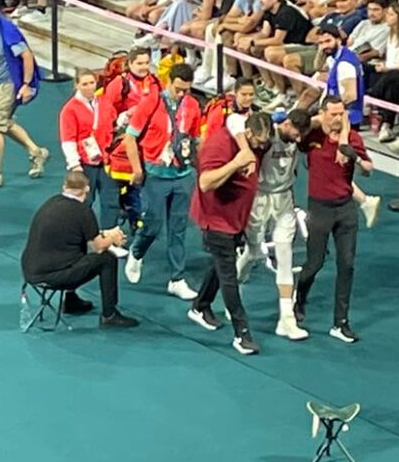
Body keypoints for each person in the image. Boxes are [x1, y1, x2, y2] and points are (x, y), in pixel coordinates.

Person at [187, 113, 273, 355]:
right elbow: (205, 182)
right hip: (216, 220)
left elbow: (235, 119)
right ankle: (241, 333)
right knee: (228, 275)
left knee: (220, 264)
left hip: (235, 220)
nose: (260, 148)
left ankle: (200, 305)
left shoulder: (249, 139)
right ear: (247, 134)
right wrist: (237, 162)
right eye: (257, 142)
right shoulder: (219, 145)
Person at [294, 96, 374, 343]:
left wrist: (356, 157)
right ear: (324, 113)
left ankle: (341, 322)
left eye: (342, 113)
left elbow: (369, 169)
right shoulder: (313, 137)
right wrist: (324, 123)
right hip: (319, 209)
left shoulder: (353, 139)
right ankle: (299, 301)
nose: (338, 118)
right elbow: (296, 129)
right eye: (334, 113)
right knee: (314, 263)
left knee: (347, 265)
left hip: (345, 208)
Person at [122, 63, 202, 300]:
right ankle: (136, 253)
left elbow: (195, 140)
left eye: (186, 90)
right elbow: (129, 137)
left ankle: (177, 279)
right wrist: (136, 169)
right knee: (153, 225)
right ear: (169, 81)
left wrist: (200, 169)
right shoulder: (151, 102)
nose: (182, 94)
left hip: (182, 174)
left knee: (178, 229)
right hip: (156, 174)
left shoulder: (193, 106)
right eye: (178, 89)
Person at [20, 170, 139, 328]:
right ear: (87, 189)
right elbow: (98, 247)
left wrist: (105, 234)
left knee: (74, 247)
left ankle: (71, 300)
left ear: (64, 187)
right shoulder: (83, 212)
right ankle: (109, 315)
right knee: (107, 259)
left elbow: (79, 232)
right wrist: (113, 239)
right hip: (54, 276)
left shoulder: (51, 202)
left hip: (30, 270)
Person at [235, 109, 313, 341]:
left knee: (285, 254)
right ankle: (233, 290)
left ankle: (286, 319)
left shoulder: (298, 134)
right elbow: (235, 121)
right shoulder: (267, 136)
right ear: (286, 124)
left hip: (284, 198)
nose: (299, 140)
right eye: (296, 134)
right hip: (259, 197)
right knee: (254, 252)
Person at [0, 0, 49, 189]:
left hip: (8, 84)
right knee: (4, 122)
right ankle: (37, 152)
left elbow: (26, 56)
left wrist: (26, 84)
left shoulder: (7, 31)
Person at [58, 70, 127, 258]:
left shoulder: (104, 102)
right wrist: (74, 165)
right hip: (84, 163)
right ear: (76, 85)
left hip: (106, 161)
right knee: (83, 202)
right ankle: (77, 239)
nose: (89, 87)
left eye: (91, 83)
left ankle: (109, 239)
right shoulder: (70, 109)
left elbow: (113, 124)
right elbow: (68, 139)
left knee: (110, 200)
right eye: (84, 84)